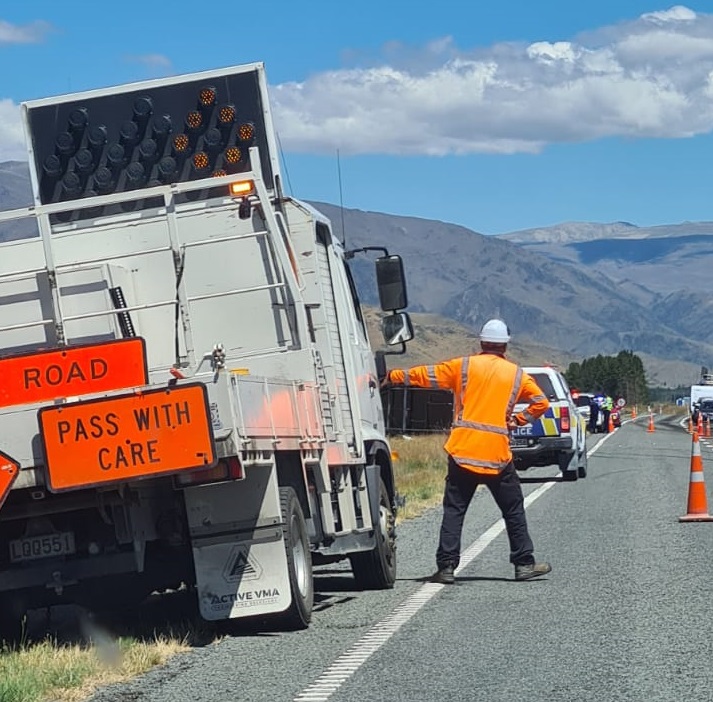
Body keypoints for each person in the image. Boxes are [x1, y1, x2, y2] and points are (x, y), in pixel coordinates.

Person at [381, 318, 552, 584]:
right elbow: (540, 403)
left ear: (481, 342)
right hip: (497, 455)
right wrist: (518, 420)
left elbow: (426, 375)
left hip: (463, 450)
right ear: (505, 345)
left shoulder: (462, 367)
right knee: (513, 510)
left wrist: (391, 376)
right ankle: (523, 564)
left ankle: (447, 567)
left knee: (454, 510)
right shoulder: (516, 375)